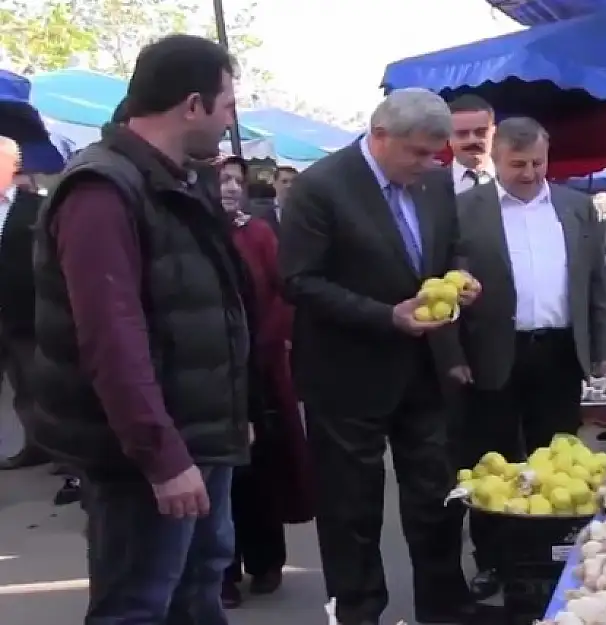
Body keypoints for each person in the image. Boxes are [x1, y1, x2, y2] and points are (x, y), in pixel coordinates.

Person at [30, 35, 248, 624]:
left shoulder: (172, 180)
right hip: (147, 457)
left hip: (198, 438)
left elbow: (206, 309)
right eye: (228, 106)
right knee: (137, 605)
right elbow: (111, 338)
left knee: (197, 592)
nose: (231, 123)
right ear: (193, 104)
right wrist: (162, 457)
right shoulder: (102, 189)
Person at [279, 87, 480, 625]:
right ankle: (360, 611)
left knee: (436, 495)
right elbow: (298, 281)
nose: (428, 164)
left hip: (424, 369)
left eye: (436, 154)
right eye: (417, 152)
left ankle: (445, 606)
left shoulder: (435, 185)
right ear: (380, 135)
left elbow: (451, 247)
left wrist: (459, 277)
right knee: (351, 509)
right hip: (346, 374)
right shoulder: (320, 187)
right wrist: (385, 315)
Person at [454, 116, 606, 599]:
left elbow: (597, 289)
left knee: (559, 462)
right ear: (496, 158)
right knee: (492, 463)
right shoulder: (466, 210)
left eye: (537, 163)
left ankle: (553, 554)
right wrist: (451, 355)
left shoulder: (576, 208)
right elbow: (442, 285)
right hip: (492, 355)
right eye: (517, 164)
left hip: (560, 354)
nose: (529, 173)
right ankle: (492, 561)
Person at [214, 157, 313, 608]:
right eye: (222, 179)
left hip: (261, 374)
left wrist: (265, 343)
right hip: (211, 374)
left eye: (237, 179)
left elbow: (284, 292)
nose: (231, 187)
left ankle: (267, 560)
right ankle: (223, 572)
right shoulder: (193, 232)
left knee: (262, 471)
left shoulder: (256, 233)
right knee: (222, 477)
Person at [0, 152, 48, 470]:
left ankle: (48, 450)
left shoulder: (34, 208)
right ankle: (28, 446)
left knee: (34, 384)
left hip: (22, 310)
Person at [448, 94, 495, 193]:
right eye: (462, 133)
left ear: (493, 133)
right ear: (448, 137)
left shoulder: (514, 180)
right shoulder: (428, 185)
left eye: (481, 132)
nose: (472, 140)